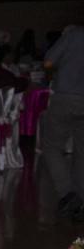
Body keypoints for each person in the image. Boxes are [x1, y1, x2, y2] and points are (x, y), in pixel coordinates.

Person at [40, 24, 84, 218]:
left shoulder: (73, 34)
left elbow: (48, 62)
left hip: (65, 97)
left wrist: (60, 69)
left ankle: (67, 193)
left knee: (52, 147)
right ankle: (81, 198)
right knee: (82, 152)